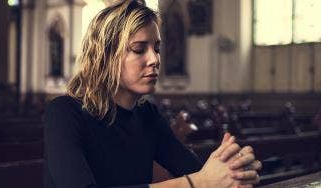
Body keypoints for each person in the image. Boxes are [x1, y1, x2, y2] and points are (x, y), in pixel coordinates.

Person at [44, 1, 262, 188]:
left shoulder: (147, 115)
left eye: (156, 48)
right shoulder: (64, 112)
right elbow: (199, 180)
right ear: (105, 56)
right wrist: (198, 183)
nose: (155, 59)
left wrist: (234, 170)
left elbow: (196, 170)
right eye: (139, 49)